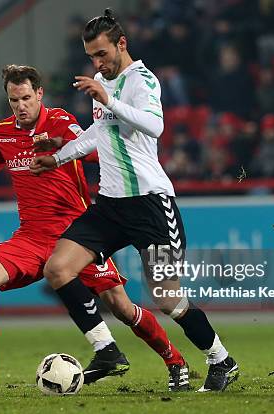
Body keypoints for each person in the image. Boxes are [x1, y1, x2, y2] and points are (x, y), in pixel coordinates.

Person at [0, 65, 190, 392]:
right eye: (14, 100)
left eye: (27, 98)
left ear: (39, 94)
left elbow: (97, 148)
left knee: (121, 306)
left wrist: (56, 146)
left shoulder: (60, 121)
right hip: (30, 236)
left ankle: (174, 360)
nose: (21, 106)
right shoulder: (2, 132)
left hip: (75, 235)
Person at [30, 9, 239, 392]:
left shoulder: (143, 81)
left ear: (121, 44)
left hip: (150, 206)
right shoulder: (101, 82)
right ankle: (105, 349)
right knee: (58, 269)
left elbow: (155, 126)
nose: (97, 63)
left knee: (167, 299)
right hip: (110, 207)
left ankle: (221, 359)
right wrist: (58, 155)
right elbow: (101, 133)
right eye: (92, 56)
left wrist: (108, 98)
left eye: (102, 54)